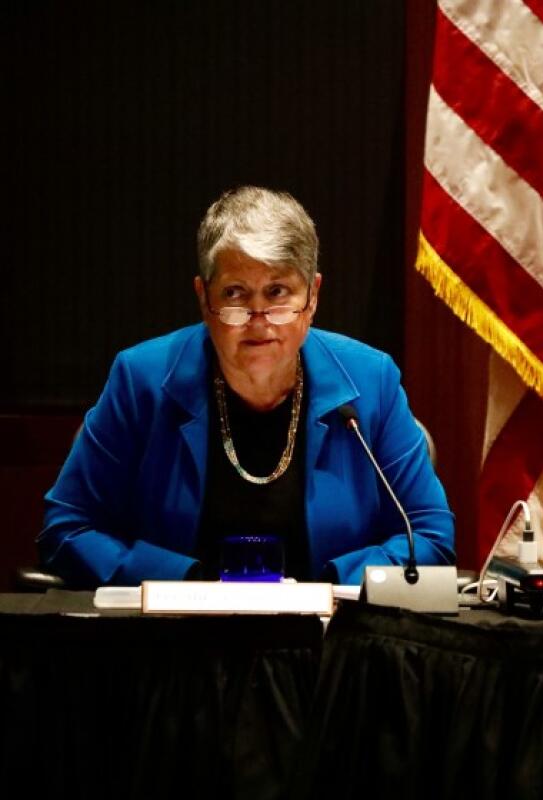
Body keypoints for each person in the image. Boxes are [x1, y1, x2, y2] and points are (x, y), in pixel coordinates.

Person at [39, 186, 454, 587]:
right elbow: (67, 528)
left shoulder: (371, 381)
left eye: (278, 292)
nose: (259, 319)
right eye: (235, 294)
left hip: (328, 644)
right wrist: (184, 582)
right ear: (204, 298)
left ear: (312, 298)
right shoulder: (141, 380)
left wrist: (329, 585)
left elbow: (430, 536)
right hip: (175, 642)